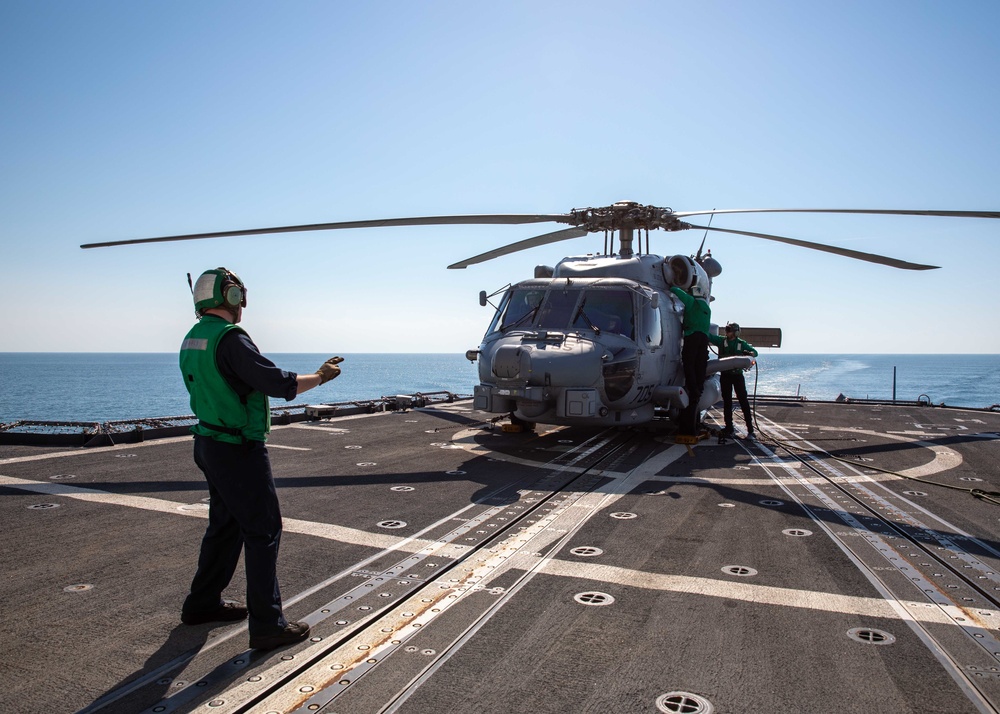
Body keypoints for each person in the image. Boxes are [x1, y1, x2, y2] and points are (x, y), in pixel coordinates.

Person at [178, 267, 344, 650]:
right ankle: (268, 623)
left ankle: (201, 603)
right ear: (233, 297)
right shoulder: (231, 338)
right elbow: (277, 383)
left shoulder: (193, 337)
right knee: (263, 530)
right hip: (238, 449)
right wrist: (320, 376)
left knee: (225, 525)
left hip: (207, 442)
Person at [670, 282, 711, 440]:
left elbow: (677, 292)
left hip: (692, 337)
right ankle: (698, 389)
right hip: (703, 339)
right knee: (700, 365)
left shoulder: (691, 302)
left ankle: (692, 388)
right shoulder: (707, 308)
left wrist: (672, 286)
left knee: (689, 364)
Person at [709, 322, 759, 438]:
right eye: (727, 330)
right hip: (726, 376)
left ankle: (750, 430)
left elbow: (754, 352)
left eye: (729, 330)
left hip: (737, 376)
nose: (727, 332)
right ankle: (729, 428)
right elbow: (709, 336)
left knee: (743, 401)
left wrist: (750, 353)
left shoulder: (741, 344)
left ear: (736, 332)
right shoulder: (721, 341)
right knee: (727, 402)